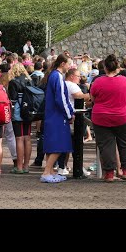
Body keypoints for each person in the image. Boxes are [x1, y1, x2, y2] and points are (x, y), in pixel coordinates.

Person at [89, 55, 126, 182]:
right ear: (117, 67)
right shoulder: (124, 81)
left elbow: (92, 98)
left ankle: (109, 173)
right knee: (125, 144)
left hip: (101, 117)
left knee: (106, 145)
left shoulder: (98, 82)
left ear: (105, 67)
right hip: (122, 116)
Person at [39, 54, 74, 183]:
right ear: (63, 64)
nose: (70, 66)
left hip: (51, 115)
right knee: (59, 146)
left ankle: (51, 171)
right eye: (69, 64)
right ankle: (47, 171)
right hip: (57, 116)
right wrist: (69, 114)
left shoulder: (53, 75)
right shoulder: (57, 76)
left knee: (51, 146)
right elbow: (61, 98)